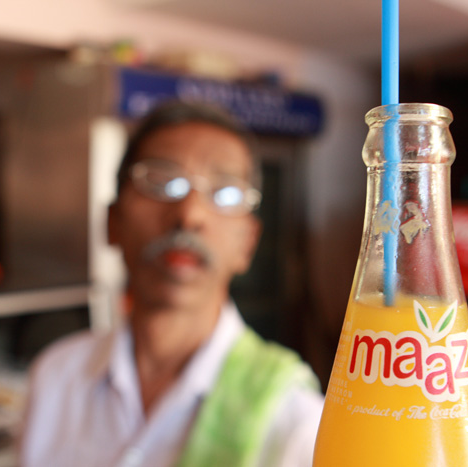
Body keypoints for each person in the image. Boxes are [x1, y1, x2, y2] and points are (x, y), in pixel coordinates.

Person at [19, 100, 324, 467]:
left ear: (248, 243)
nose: (189, 214)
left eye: (225, 192)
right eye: (162, 182)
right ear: (113, 222)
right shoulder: (55, 379)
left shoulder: (296, 421)